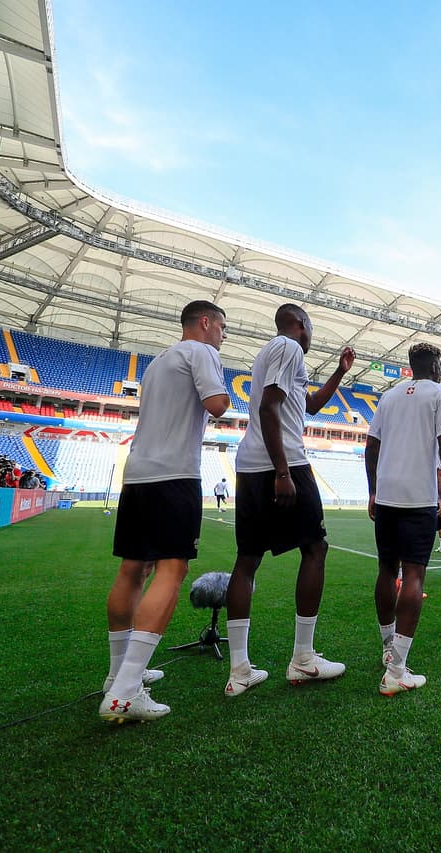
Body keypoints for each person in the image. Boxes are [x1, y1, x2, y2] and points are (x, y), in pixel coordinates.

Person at [99, 300, 230, 723]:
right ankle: (125, 691)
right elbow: (218, 404)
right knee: (171, 571)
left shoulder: (157, 362)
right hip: (174, 475)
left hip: (137, 474)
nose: (223, 336)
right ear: (205, 323)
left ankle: (118, 673)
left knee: (131, 570)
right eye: (222, 328)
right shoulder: (202, 352)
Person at [223, 304, 356, 697]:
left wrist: (340, 372)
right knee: (316, 549)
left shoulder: (271, 352)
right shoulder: (288, 347)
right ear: (302, 325)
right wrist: (282, 472)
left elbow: (310, 406)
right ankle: (303, 659)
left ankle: (239, 670)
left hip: (250, 466)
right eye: (311, 327)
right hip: (283, 463)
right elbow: (268, 407)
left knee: (247, 560)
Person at [365, 343, 441, 695]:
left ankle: (388, 648)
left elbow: (371, 445)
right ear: (435, 366)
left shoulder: (388, 397)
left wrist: (373, 490)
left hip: (388, 494)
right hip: (418, 496)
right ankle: (398, 670)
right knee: (414, 573)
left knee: (387, 570)